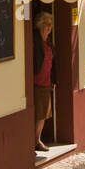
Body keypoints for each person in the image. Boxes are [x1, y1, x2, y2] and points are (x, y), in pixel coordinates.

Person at [32, 10, 55, 153]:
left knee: (43, 114)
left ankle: (37, 140)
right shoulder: (34, 41)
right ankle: (35, 141)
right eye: (46, 24)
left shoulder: (48, 42)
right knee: (38, 113)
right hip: (36, 82)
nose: (49, 27)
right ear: (39, 25)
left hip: (46, 82)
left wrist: (53, 79)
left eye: (50, 24)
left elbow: (53, 62)